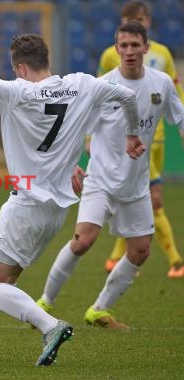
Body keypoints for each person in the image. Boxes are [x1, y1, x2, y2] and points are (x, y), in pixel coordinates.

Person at [0, 34, 143, 366]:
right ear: (46, 59)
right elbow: (127, 95)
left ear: (20, 67)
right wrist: (133, 132)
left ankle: (49, 326)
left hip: (25, 206)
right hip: (56, 212)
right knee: (5, 280)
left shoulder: (19, 92)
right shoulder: (83, 85)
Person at [36, 22, 184, 330]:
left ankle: (99, 310)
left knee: (141, 250)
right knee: (83, 239)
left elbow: (179, 119)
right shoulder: (100, 87)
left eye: (135, 45)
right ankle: (44, 302)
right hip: (100, 178)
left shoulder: (162, 84)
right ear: (116, 49)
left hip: (135, 182)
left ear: (146, 48)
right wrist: (70, 165)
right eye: (124, 45)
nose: (129, 51)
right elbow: (75, 130)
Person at [97, 1, 184, 278]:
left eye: (134, 20)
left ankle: (119, 257)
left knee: (143, 198)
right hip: (126, 142)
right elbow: (99, 96)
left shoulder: (162, 53)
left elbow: (174, 92)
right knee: (148, 198)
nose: (129, 49)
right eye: (124, 21)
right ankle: (175, 260)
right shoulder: (111, 55)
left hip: (154, 138)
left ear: (146, 21)